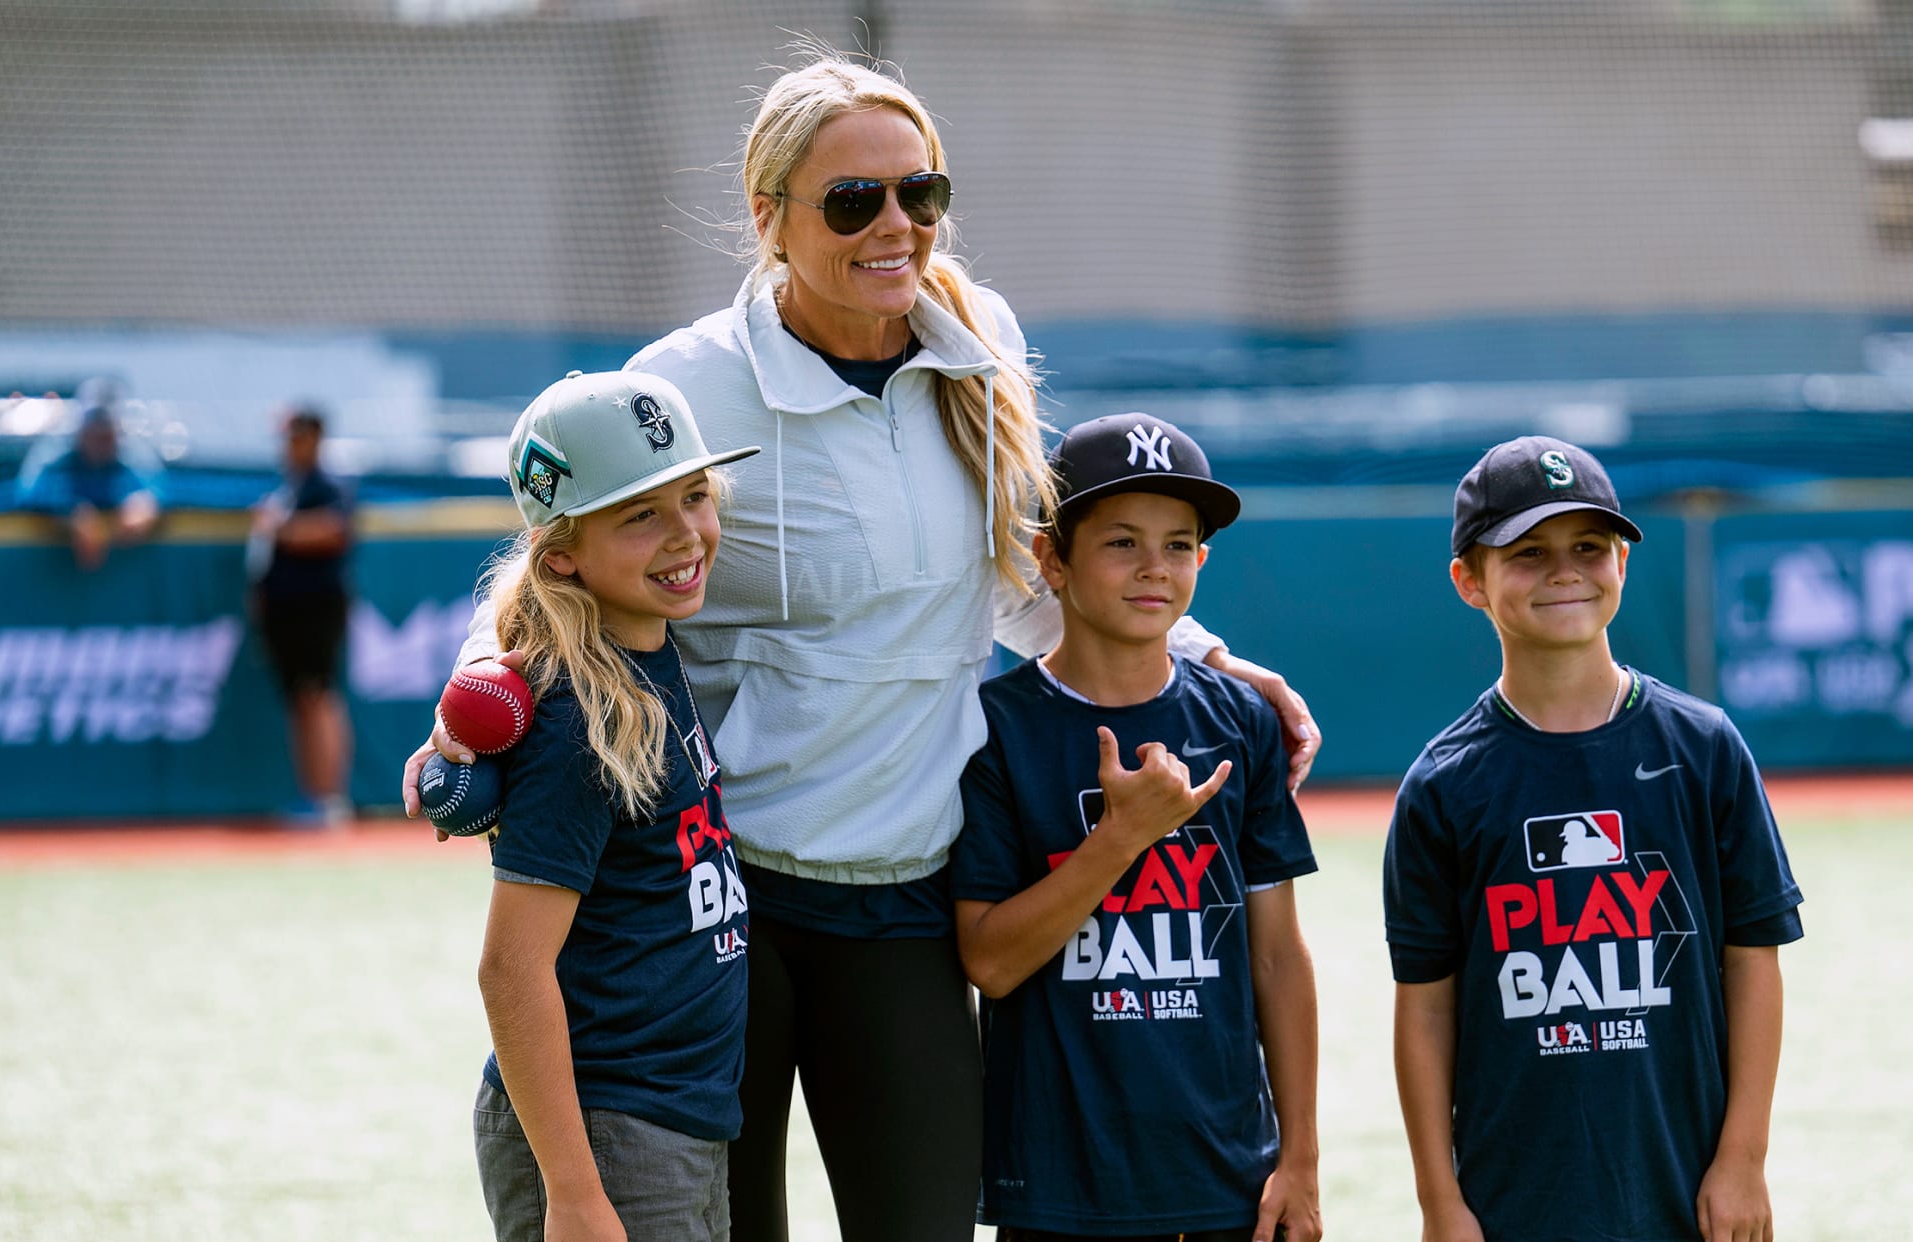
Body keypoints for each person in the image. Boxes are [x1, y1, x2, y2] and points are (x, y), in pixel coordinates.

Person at [405, 51, 1322, 1242]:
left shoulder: (981, 341)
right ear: (769, 216)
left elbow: (1007, 576)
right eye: (853, 201)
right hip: (722, 901)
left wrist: (1199, 655)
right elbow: (556, 554)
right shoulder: (685, 382)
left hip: (907, 891)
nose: (897, 226)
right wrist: (472, 707)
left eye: (920, 193)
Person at [1385, 436, 1805, 1242]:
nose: (1564, 572)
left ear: (1622, 562)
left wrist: (1743, 1159)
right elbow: (1426, 1006)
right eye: (1528, 553)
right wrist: (1441, 1202)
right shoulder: (1443, 784)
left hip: (1684, 1189)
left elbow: (1754, 959)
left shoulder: (1704, 749)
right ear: (1469, 581)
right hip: (1513, 1202)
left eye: (1588, 547)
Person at [952, 415, 1323, 1242]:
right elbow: (991, 962)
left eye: (1178, 545)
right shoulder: (994, 730)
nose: (1155, 566)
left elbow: (1276, 955)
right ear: (1050, 560)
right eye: (1122, 542)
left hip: (1230, 1176)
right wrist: (1121, 839)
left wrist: (1299, 1156)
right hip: (1060, 1184)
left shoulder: (1240, 721)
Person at [469, 370, 759, 1241]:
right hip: (607, 1130)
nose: (686, 534)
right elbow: (510, 970)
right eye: (640, 515)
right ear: (561, 552)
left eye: (694, 496)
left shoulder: (646, 653)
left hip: (669, 1118)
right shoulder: (578, 718)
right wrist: (572, 1191)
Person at [248, 405, 355, 827]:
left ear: (314, 438)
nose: (289, 446)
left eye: (296, 437)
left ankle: (329, 799)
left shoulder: (326, 483)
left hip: (315, 606)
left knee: (319, 695)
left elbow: (334, 529)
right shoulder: (289, 487)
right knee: (302, 701)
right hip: (287, 611)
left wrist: (280, 528)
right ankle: (313, 797)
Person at [16, 402, 161, 571]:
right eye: (95, 436)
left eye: (107, 436)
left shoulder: (129, 461)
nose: (102, 444)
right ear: (81, 435)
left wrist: (144, 504)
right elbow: (27, 493)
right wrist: (73, 514)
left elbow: (158, 490)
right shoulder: (58, 460)